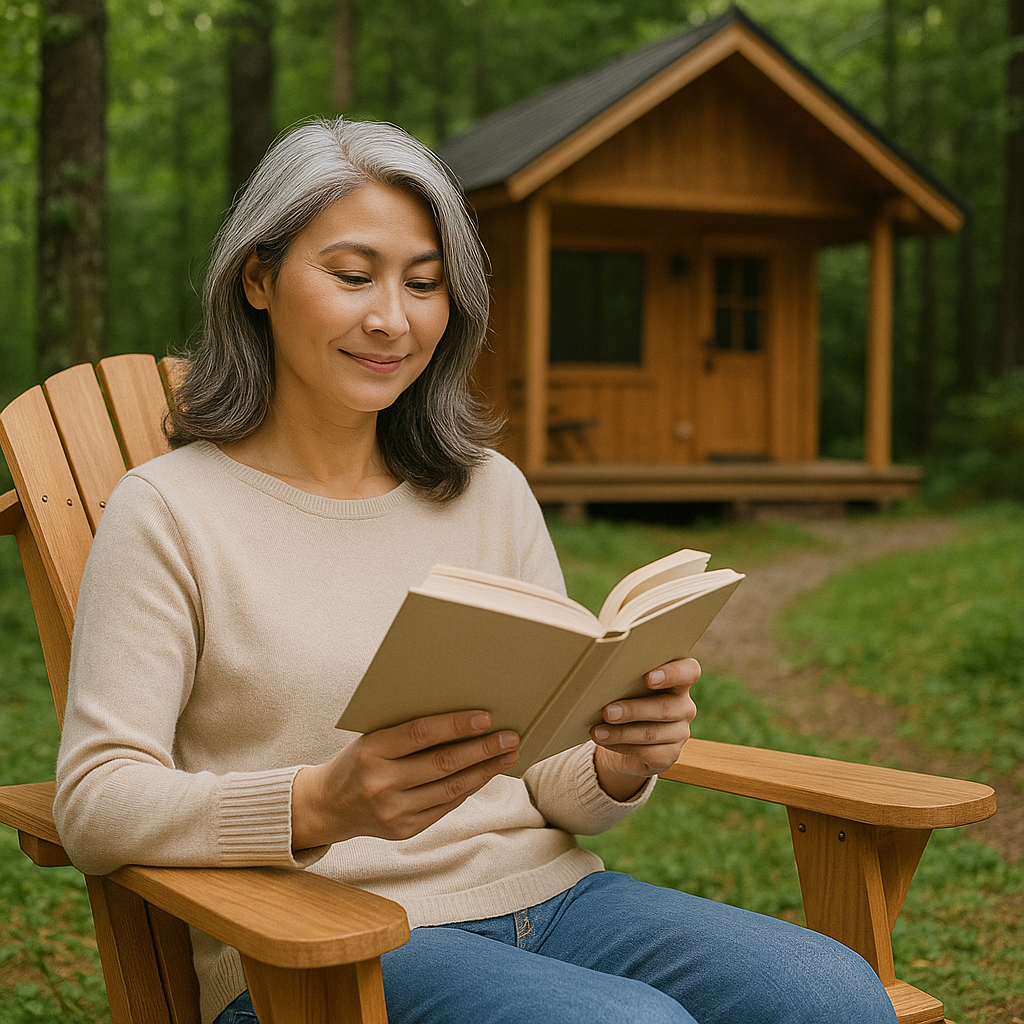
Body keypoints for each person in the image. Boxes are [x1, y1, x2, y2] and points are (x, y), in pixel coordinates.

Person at [53, 118, 897, 1024]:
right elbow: (96, 802)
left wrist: (617, 760)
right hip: (320, 948)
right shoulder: (170, 511)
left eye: (424, 283)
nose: (393, 318)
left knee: (832, 993)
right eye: (352, 276)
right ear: (258, 279)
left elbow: (545, 773)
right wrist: (320, 803)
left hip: (554, 899)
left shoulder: (486, 490)